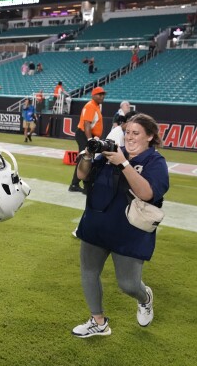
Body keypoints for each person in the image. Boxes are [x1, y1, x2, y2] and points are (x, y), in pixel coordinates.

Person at [71, 113, 169, 338]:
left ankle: (145, 298)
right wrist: (87, 155)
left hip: (129, 232)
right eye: (128, 133)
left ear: (150, 136)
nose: (130, 137)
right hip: (97, 223)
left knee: (128, 284)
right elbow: (82, 174)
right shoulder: (112, 153)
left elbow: (147, 193)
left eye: (136, 133)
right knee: (88, 272)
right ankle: (98, 322)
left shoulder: (155, 162)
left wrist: (123, 164)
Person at [69, 87, 105, 193]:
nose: (102, 96)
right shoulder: (91, 106)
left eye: (103, 94)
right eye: (99, 94)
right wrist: (90, 139)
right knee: (85, 159)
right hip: (84, 135)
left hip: (88, 135)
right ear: (93, 95)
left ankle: (84, 185)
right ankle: (77, 185)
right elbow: (87, 124)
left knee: (87, 159)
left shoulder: (96, 106)